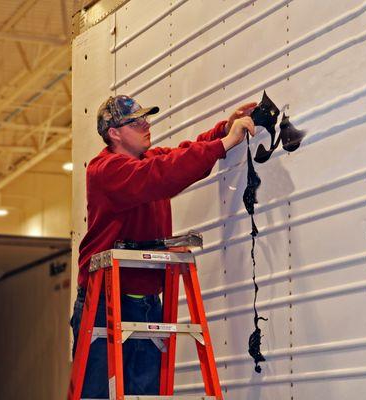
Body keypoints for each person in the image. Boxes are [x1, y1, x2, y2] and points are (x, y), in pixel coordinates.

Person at [71, 94, 256, 397]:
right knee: (98, 393)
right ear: (114, 133)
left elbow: (180, 156)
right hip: (104, 302)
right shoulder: (105, 170)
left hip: (144, 302)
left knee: (145, 393)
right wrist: (224, 144)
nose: (146, 124)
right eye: (135, 121)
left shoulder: (146, 161)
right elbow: (162, 175)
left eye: (146, 118)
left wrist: (223, 130)